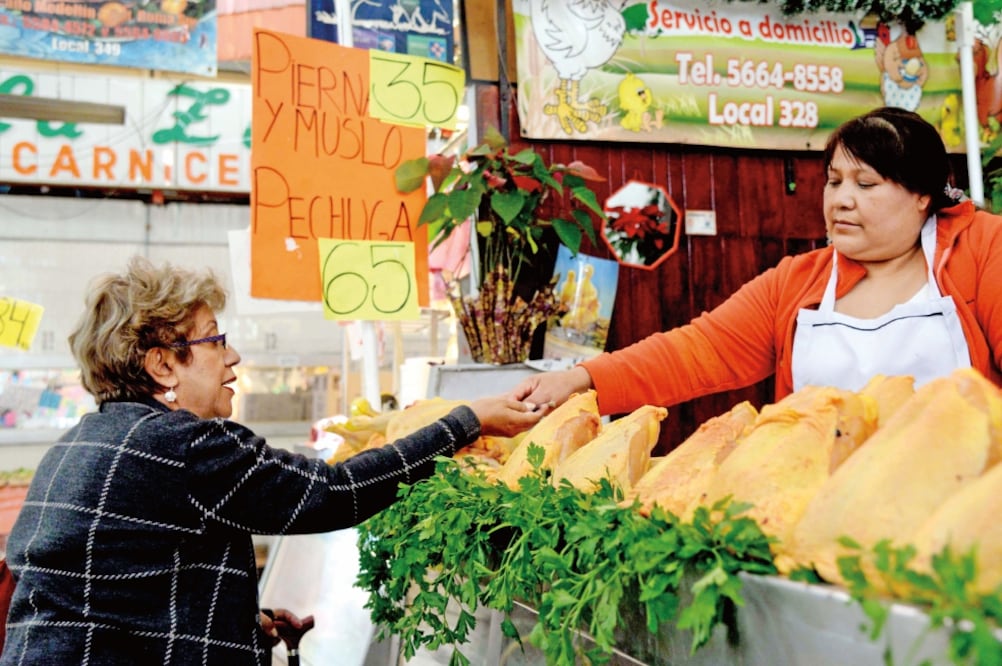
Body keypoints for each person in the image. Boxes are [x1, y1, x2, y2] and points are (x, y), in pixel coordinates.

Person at [0, 256, 544, 665]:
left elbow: (121, 586)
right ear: (164, 365)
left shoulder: (78, 442)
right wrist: (465, 424)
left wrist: (234, 620)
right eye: (216, 340)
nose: (233, 356)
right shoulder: (183, 445)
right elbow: (335, 493)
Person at [512, 106, 1002, 417]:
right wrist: (581, 381)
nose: (841, 200)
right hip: (820, 506)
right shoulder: (799, 281)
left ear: (921, 195)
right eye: (834, 182)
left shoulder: (982, 249)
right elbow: (694, 352)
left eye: (866, 184)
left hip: (963, 511)